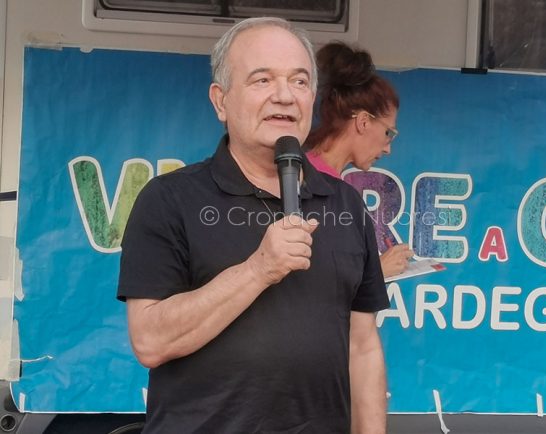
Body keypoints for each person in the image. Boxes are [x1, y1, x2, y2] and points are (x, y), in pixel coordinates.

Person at [118, 17, 389, 434]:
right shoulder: (169, 199)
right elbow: (151, 341)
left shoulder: (346, 204)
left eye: (299, 82)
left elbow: (363, 345)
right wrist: (258, 269)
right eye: (262, 80)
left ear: (313, 98)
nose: (284, 96)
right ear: (220, 101)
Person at [304, 42, 414, 278]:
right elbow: (307, 283)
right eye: (389, 133)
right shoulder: (307, 182)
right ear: (363, 121)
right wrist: (376, 272)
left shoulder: (316, 177)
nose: (388, 149)